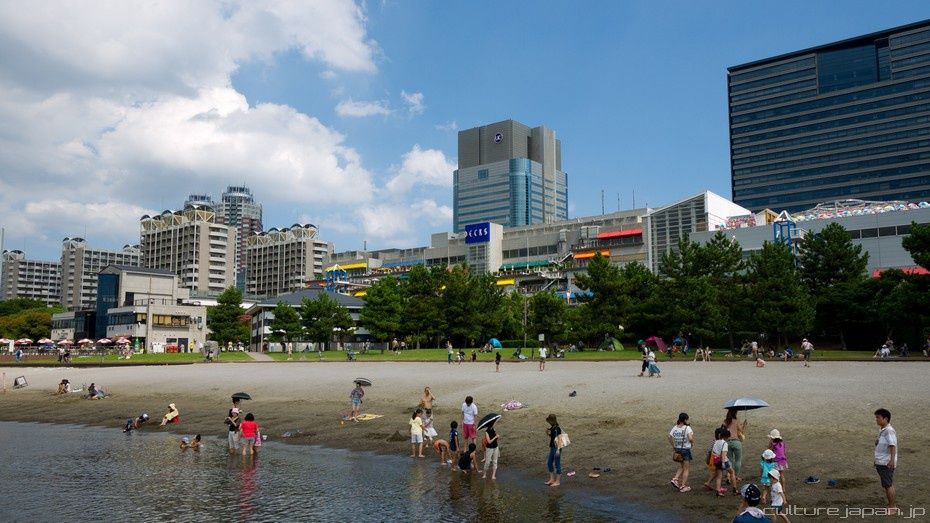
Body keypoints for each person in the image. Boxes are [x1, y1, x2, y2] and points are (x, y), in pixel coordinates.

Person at [873, 408, 898, 512]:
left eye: (878, 417)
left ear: (885, 418)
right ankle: (891, 506)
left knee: (888, 485)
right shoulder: (883, 430)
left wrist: (891, 460)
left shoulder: (888, 430)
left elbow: (893, 445)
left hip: (886, 463)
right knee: (887, 484)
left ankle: (892, 507)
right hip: (881, 462)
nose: (876, 419)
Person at [669, 412, 694, 493]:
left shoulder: (675, 427)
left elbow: (669, 437)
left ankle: (675, 479)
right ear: (685, 419)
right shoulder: (687, 428)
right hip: (685, 450)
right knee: (686, 468)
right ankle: (683, 486)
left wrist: (673, 446)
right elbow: (690, 438)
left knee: (682, 466)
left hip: (678, 449)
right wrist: (692, 443)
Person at [704, 427, 733, 497]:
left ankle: (713, 486)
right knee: (721, 474)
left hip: (714, 459)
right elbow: (722, 454)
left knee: (717, 474)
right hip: (719, 460)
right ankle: (718, 488)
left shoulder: (715, 441)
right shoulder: (722, 443)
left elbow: (710, 451)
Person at [724, 408, 746, 481]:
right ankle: (735, 476)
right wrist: (744, 425)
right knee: (738, 460)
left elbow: (722, 431)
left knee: (729, 460)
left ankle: (729, 476)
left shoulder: (725, 421)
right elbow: (741, 431)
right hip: (736, 442)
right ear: (735, 413)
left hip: (727, 442)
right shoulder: (736, 420)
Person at [546, 414, 563, 487]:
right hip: (552, 447)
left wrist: (558, 450)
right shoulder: (552, 427)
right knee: (549, 463)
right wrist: (548, 433)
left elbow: (559, 439)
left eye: (549, 421)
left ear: (552, 420)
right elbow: (553, 438)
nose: (549, 422)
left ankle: (558, 481)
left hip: (557, 448)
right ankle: (552, 479)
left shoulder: (557, 428)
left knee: (557, 464)